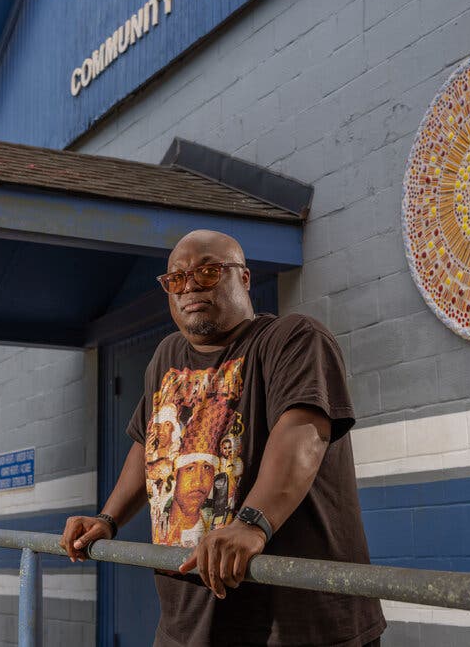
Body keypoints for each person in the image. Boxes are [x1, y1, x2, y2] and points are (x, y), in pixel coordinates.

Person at [60, 229, 386, 646]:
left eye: (209, 271)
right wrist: (106, 520)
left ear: (244, 279)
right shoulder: (166, 356)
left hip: (296, 626)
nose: (190, 284)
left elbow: (303, 434)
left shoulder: (294, 339)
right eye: (175, 279)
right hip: (185, 623)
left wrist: (253, 522)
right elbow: (148, 446)